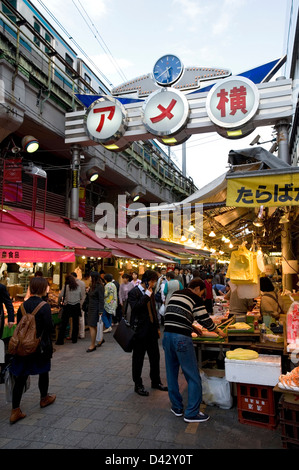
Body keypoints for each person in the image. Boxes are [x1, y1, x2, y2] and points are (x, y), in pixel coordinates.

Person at [162, 278, 226, 423]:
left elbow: (176, 315)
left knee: (171, 374)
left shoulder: (177, 294)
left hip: (167, 336)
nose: (202, 297)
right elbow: (205, 319)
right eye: (202, 293)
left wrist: (193, 327)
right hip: (181, 339)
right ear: (197, 289)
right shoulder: (195, 298)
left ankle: (177, 407)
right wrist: (220, 332)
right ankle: (191, 413)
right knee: (192, 376)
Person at [9, 277, 56, 424]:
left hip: (23, 347)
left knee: (21, 378)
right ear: (42, 288)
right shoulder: (45, 306)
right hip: (40, 347)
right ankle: (44, 398)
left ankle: (15, 410)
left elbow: (19, 326)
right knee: (43, 372)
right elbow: (49, 327)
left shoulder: (23, 306)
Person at [127, 270, 168, 396]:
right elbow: (136, 308)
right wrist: (146, 295)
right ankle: (138, 385)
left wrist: (157, 327)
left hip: (151, 330)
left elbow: (153, 312)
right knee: (138, 359)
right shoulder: (134, 292)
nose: (154, 283)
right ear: (146, 280)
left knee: (155, 357)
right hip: (139, 331)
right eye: (152, 281)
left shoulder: (151, 292)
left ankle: (156, 381)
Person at [55, 274, 82, 345]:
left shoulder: (66, 287)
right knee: (75, 323)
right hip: (76, 306)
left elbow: (61, 296)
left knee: (64, 323)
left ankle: (60, 340)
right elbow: (81, 296)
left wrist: (59, 303)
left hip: (68, 306)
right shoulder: (78, 287)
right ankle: (74, 339)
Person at [86, 272, 104, 352]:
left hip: (95, 308)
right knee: (94, 326)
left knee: (92, 326)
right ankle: (100, 339)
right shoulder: (92, 286)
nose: (89, 278)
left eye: (90, 277)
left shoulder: (99, 287)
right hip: (91, 308)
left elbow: (101, 299)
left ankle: (92, 345)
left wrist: (100, 310)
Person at [71, 272, 86, 339]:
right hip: (81, 303)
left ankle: (73, 334)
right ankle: (82, 334)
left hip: (73, 303)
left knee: (73, 320)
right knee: (81, 319)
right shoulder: (82, 283)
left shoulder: (71, 283)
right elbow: (84, 294)